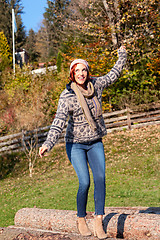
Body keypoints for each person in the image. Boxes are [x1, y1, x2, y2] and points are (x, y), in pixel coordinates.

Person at [39, 46, 127, 239]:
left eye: (84, 70)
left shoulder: (96, 84)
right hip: (75, 144)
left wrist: (122, 54)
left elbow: (114, 73)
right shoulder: (67, 96)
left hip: (95, 141)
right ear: (72, 74)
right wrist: (48, 143)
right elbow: (59, 121)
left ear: (88, 72)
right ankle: (80, 218)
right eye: (77, 70)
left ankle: (98, 221)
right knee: (85, 182)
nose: (81, 73)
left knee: (101, 179)